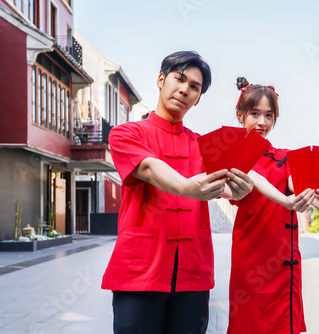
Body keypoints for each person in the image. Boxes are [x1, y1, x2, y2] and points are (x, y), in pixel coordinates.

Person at [101, 52, 254, 334]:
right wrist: (186, 187)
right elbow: (147, 168)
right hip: (139, 273)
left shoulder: (205, 146)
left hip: (192, 275)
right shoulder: (126, 134)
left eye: (195, 87)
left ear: (198, 98)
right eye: (180, 79)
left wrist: (239, 191)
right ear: (161, 79)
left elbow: (228, 186)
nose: (185, 90)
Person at [227, 77, 319, 333]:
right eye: (254, 114)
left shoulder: (284, 157)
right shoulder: (230, 153)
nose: (262, 122)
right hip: (249, 260)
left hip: (283, 262)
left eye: (269, 115)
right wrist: (287, 200)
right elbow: (248, 179)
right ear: (240, 115)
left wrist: (318, 197)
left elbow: (297, 184)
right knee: (247, 324)